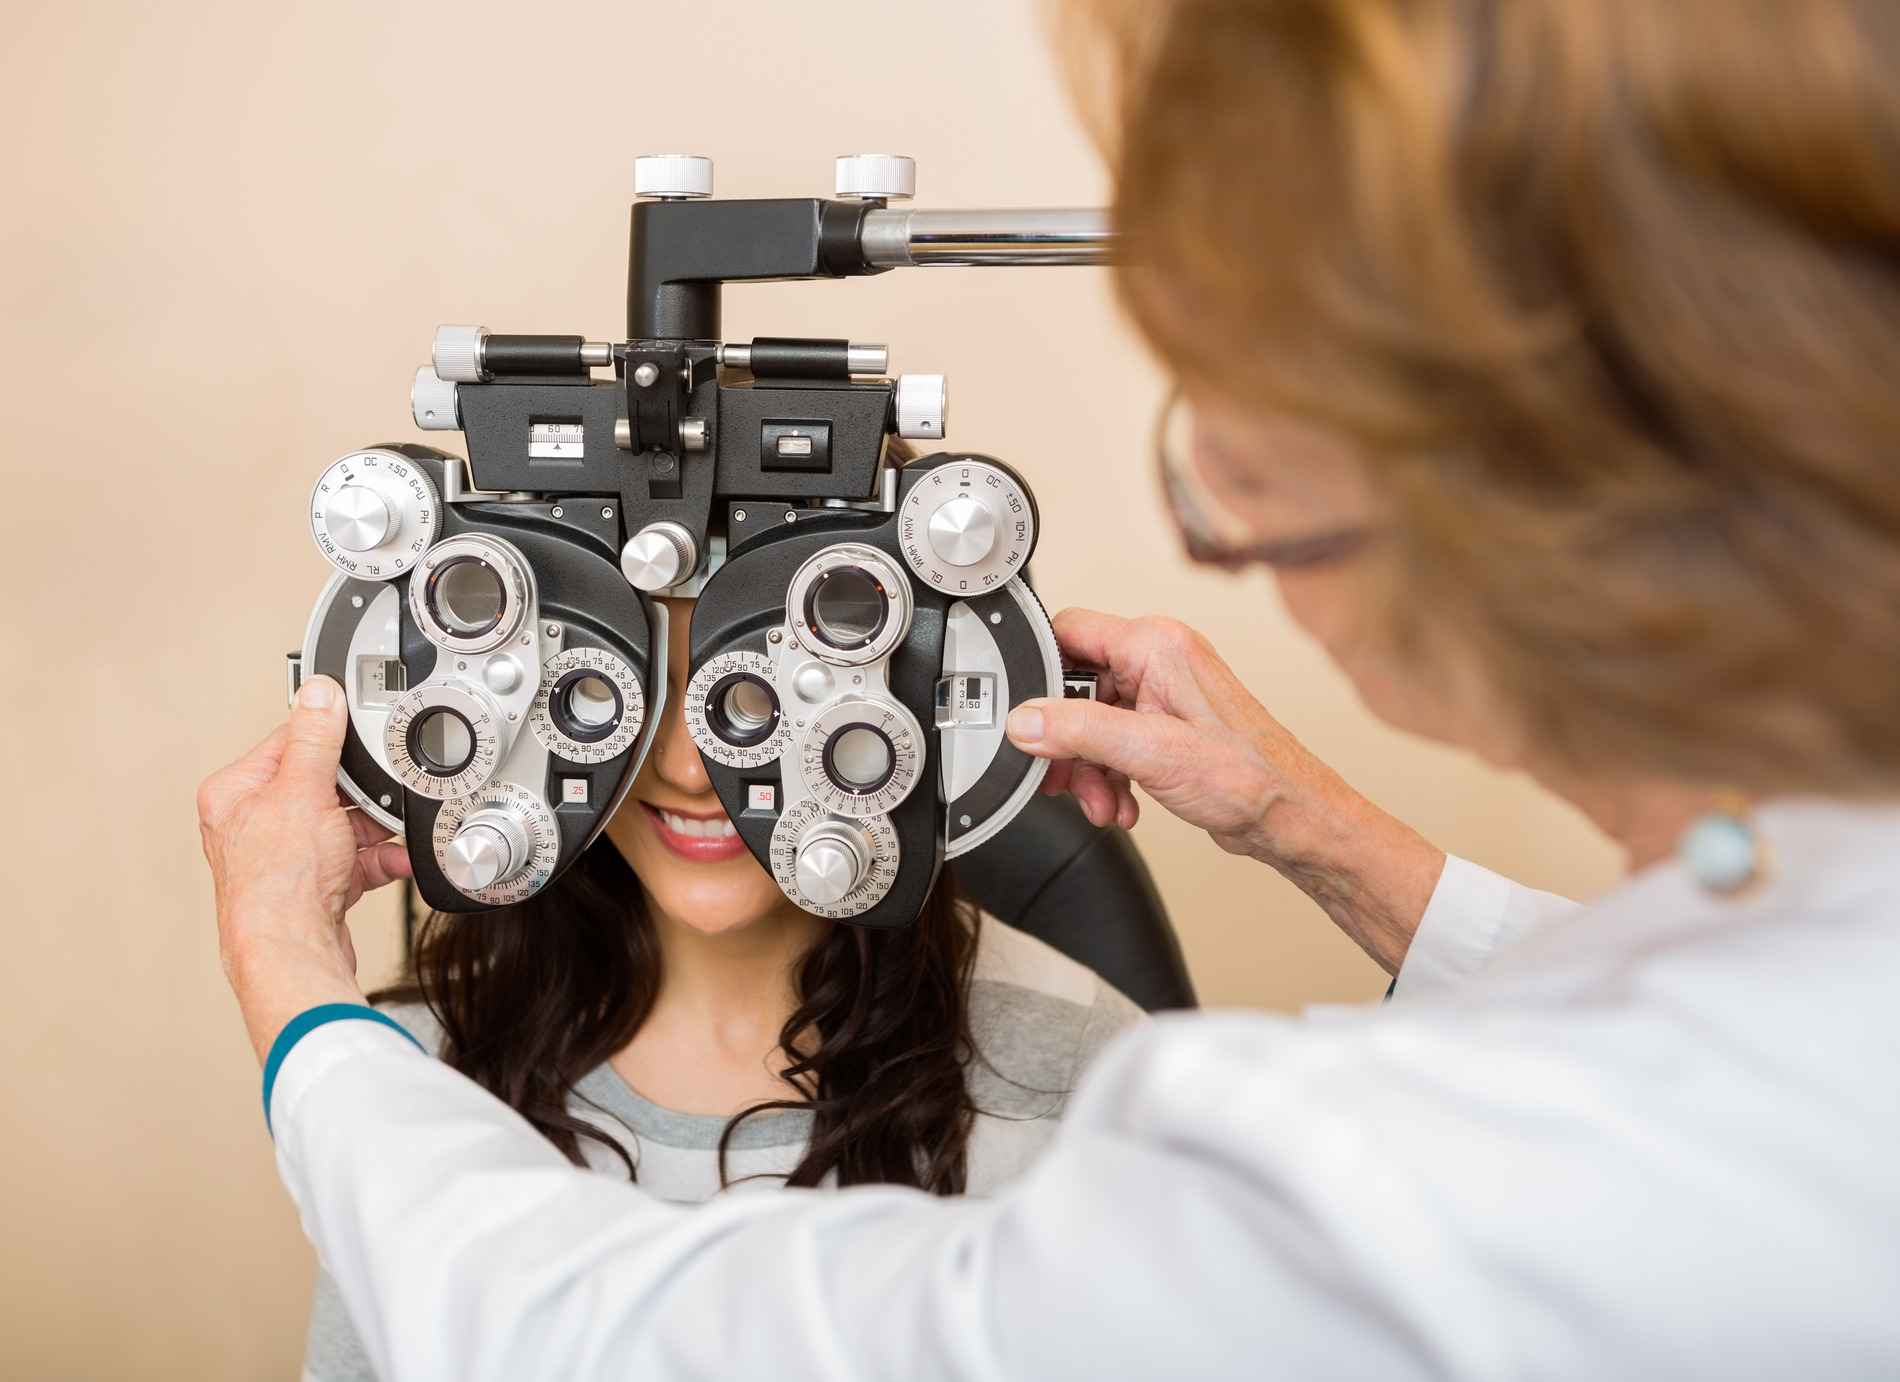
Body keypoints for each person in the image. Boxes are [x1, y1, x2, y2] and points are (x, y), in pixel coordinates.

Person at [198, 0, 1900, 1376]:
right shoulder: (1808, 997)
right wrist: (1313, 828)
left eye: (1237, 423)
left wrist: (290, 976)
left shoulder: (1206, 1149)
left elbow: (575, 1338)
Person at [299, 595, 1145, 1381]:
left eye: (758, 690)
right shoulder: (409, 1077)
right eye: (616, 688)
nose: (690, 770)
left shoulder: (1092, 1080)